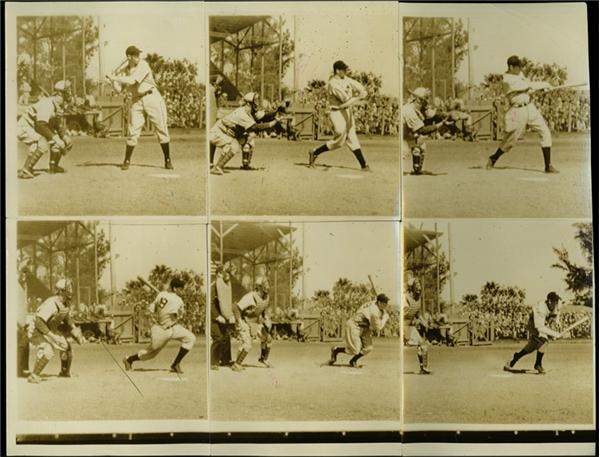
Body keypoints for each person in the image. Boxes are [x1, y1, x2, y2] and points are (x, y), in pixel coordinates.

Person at [105, 45, 173, 171]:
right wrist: (112, 81)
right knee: (133, 131)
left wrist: (115, 77)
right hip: (137, 100)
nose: (138, 56)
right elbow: (119, 90)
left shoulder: (143, 65)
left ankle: (167, 159)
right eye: (135, 55)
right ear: (129, 57)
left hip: (152, 97)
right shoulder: (125, 70)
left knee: (161, 129)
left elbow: (131, 81)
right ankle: (126, 160)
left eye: (138, 54)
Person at [487, 55, 557, 173]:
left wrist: (541, 90)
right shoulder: (506, 80)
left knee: (545, 131)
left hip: (530, 107)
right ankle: (493, 158)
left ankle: (548, 165)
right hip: (517, 111)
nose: (520, 69)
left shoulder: (519, 74)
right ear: (511, 66)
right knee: (510, 141)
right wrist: (545, 84)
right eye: (518, 67)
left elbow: (528, 88)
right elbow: (526, 86)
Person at [123, 277, 196, 374]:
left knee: (190, 338)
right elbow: (177, 314)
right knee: (151, 353)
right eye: (180, 289)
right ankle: (129, 360)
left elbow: (151, 309)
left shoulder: (161, 294)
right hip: (162, 329)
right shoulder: (177, 300)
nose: (182, 291)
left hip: (173, 327)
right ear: (174, 288)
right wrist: (181, 310)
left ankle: (176, 364)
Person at [308, 60, 371, 171]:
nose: (345, 71)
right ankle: (314, 152)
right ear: (337, 70)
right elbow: (346, 100)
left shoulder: (346, 79)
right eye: (343, 70)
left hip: (347, 111)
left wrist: (363, 91)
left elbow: (358, 86)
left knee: (352, 137)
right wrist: (359, 97)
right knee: (340, 138)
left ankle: (363, 165)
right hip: (337, 112)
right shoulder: (333, 84)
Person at [26, 279, 85, 383]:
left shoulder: (64, 303)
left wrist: (74, 328)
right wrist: (53, 337)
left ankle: (64, 372)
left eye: (71, 288)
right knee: (48, 350)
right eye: (68, 288)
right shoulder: (52, 303)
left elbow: (66, 317)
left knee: (66, 347)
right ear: (61, 291)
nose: (70, 290)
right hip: (36, 329)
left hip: (48, 328)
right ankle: (34, 375)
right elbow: (39, 321)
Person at [209, 92, 282, 175]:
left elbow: (264, 115)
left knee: (249, 140)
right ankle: (217, 167)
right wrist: (273, 123)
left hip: (228, 132)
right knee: (233, 147)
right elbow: (255, 127)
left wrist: (276, 112)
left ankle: (245, 164)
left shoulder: (249, 111)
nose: (257, 103)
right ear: (248, 103)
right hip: (220, 131)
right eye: (255, 101)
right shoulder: (242, 114)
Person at [17, 80, 73, 179]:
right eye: (66, 91)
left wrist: (65, 137)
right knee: (42, 143)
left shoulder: (57, 105)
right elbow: (40, 125)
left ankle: (53, 167)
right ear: (60, 93)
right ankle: (26, 170)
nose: (69, 93)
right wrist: (55, 138)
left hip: (34, 126)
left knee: (59, 142)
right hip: (25, 125)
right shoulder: (48, 104)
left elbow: (57, 125)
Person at [504, 292, 562, 374]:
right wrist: (554, 334)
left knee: (531, 347)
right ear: (549, 301)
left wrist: (557, 324)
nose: (556, 305)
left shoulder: (556, 305)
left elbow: (557, 313)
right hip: (533, 324)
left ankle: (515, 358)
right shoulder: (540, 308)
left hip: (543, 322)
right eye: (555, 302)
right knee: (544, 341)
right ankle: (538, 364)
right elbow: (539, 327)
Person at [328, 293, 390, 368]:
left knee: (368, 348)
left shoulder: (374, 303)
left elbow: (375, 312)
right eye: (384, 303)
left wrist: (381, 312)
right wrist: (385, 318)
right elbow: (378, 328)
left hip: (365, 326)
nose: (386, 305)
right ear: (379, 302)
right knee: (355, 350)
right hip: (355, 325)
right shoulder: (374, 311)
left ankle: (353, 361)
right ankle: (336, 350)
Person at [402, 87, 447, 174]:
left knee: (421, 145)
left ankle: (417, 170)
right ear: (418, 100)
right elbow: (422, 130)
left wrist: (446, 115)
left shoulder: (415, 108)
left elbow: (431, 114)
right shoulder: (409, 111)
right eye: (424, 99)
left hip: (407, 134)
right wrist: (440, 124)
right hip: (400, 137)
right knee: (404, 152)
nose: (426, 102)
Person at [232, 276, 270, 370]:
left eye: (268, 283)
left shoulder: (265, 297)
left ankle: (263, 359)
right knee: (247, 344)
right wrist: (240, 322)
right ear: (259, 286)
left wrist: (265, 317)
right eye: (265, 284)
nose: (267, 286)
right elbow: (236, 308)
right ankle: (237, 364)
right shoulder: (250, 296)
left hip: (254, 321)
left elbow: (262, 307)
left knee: (268, 339)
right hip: (244, 320)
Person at [210, 265, 236, 370]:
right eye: (225, 273)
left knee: (226, 337)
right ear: (219, 274)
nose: (228, 275)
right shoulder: (213, 286)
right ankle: (213, 362)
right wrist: (217, 316)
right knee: (218, 337)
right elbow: (210, 303)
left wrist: (231, 315)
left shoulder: (225, 286)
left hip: (224, 317)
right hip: (213, 318)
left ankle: (225, 360)